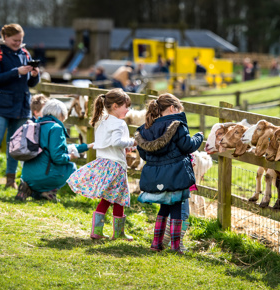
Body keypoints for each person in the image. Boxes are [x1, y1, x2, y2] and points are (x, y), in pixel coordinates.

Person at [135, 93, 203, 253]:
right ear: (173, 108)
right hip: (176, 174)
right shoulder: (177, 125)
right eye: (179, 109)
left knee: (164, 207)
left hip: (155, 175)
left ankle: (156, 243)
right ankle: (175, 246)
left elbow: (143, 153)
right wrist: (199, 137)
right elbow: (188, 146)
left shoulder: (147, 128)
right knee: (177, 207)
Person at [67, 89, 135, 241]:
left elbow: (106, 142)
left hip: (104, 163)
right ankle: (118, 234)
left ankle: (96, 231)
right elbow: (117, 142)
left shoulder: (102, 121)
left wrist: (127, 145)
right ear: (116, 106)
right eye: (126, 106)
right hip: (116, 166)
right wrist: (132, 142)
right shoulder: (119, 123)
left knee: (107, 198)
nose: (128, 109)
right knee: (119, 198)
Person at [15, 99, 92, 202]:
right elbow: (58, 157)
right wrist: (70, 157)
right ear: (60, 113)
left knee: (43, 163)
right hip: (44, 175)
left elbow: (63, 147)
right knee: (71, 167)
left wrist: (86, 146)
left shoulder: (36, 124)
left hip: (26, 175)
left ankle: (29, 188)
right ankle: (46, 191)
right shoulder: (56, 128)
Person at [0, 23, 41, 189]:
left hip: (22, 105)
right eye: (15, 40)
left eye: (20, 40)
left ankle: (11, 181)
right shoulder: (0, 53)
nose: (18, 43)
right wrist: (17, 71)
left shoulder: (25, 53)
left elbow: (30, 83)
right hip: (2, 105)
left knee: (16, 145)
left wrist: (35, 75)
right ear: (5, 38)